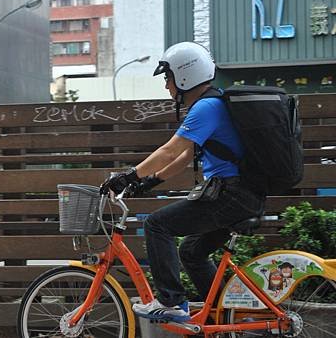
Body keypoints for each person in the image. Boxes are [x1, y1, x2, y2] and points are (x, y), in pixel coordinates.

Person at [100, 42, 265, 323]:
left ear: (185, 76)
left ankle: (171, 302)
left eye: (168, 78)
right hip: (241, 195)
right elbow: (187, 155)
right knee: (191, 251)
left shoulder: (207, 108)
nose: (167, 86)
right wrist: (150, 181)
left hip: (232, 196)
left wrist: (128, 176)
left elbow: (170, 149)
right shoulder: (214, 104)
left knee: (156, 224)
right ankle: (226, 319)